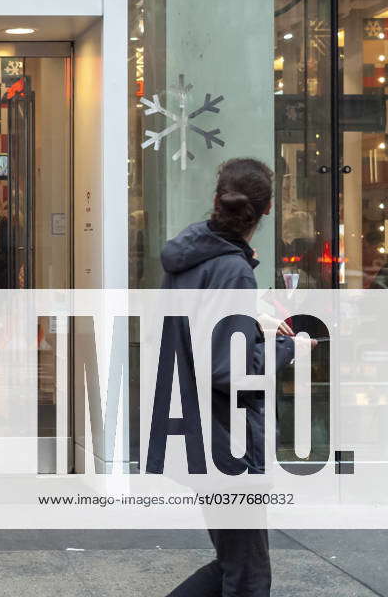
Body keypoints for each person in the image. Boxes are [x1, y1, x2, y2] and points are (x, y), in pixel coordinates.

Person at [159, 159, 303, 596]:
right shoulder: (232, 269)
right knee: (247, 576)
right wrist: (287, 350)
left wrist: (252, 324)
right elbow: (228, 369)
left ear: (215, 200)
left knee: (234, 566)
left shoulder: (189, 259)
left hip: (196, 432)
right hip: (228, 441)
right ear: (268, 209)